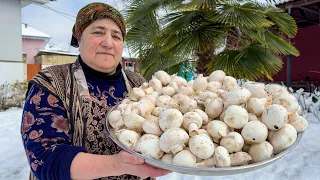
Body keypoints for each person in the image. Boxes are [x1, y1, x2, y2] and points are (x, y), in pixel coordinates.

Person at [21, 2, 171, 180]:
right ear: (79, 39)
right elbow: (44, 159)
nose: (108, 43)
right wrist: (115, 165)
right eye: (98, 32)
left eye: (116, 36)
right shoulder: (52, 82)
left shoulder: (139, 84)